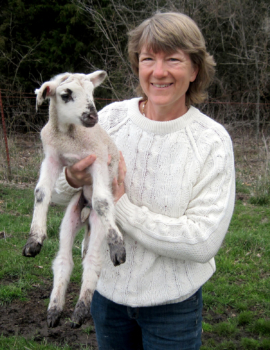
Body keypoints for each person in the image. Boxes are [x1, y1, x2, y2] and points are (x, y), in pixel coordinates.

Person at [53, 12, 235, 350]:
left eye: (173, 59)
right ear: (138, 65)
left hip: (173, 309)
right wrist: (70, 178)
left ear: (195, 69)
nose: (159, 71)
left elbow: (202, 242)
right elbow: (61, 196)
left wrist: (119, 207)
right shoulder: (109, 119)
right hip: (105, 296)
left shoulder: (211, 142)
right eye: (148, 58)